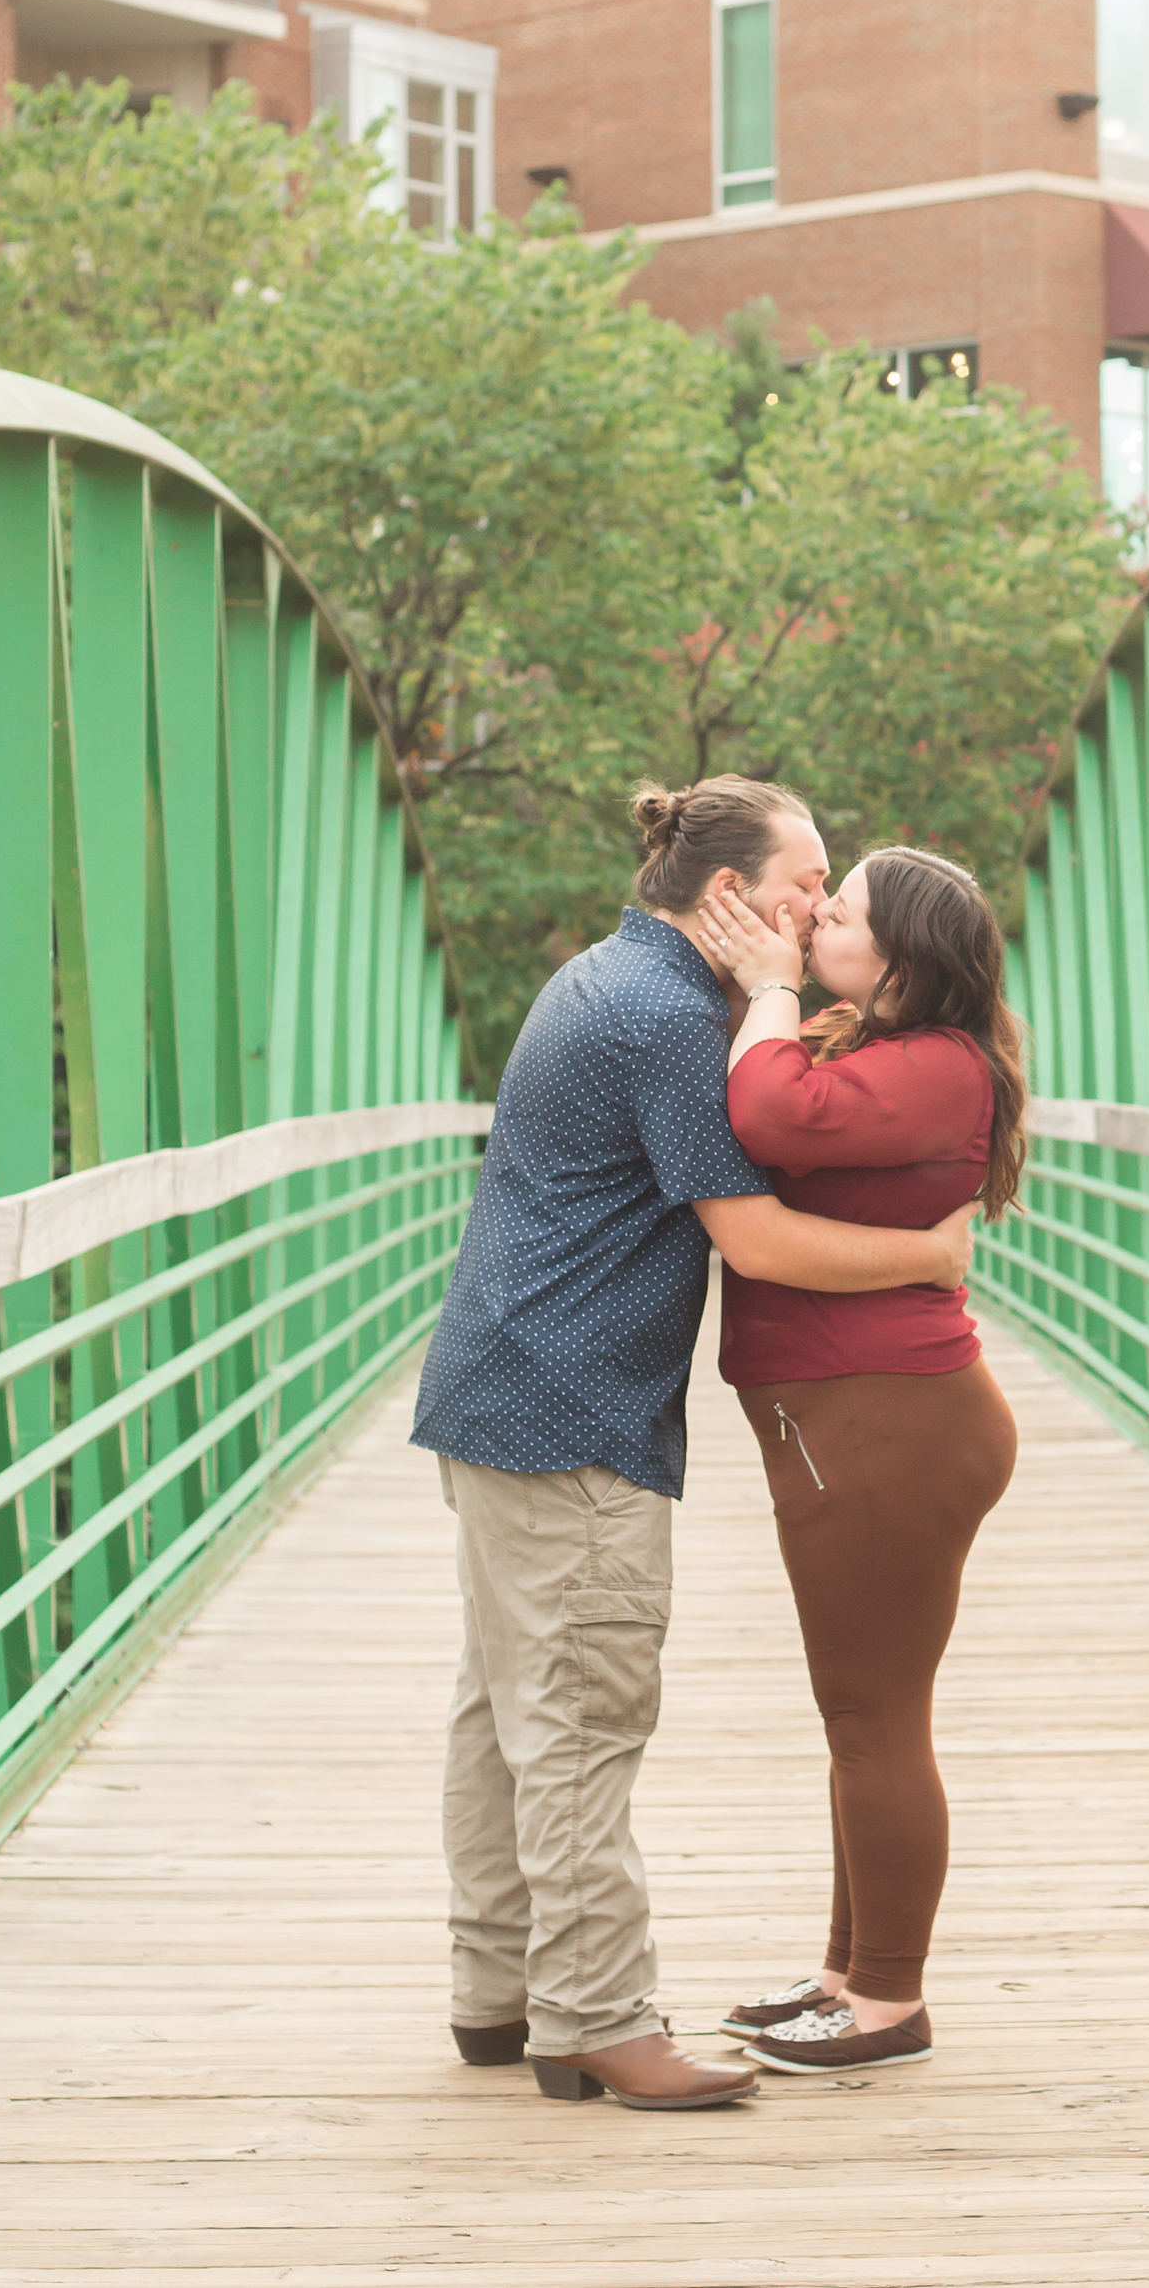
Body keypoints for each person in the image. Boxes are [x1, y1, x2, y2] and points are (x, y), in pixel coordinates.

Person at [410, 779, 980, 2115]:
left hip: (496, 1389)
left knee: (504, 1714)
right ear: (725, 895)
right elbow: (759, 1238)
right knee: (582, 1723)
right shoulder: (669, 1020)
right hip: (574, 1410)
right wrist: (931, 1255)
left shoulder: (597, 978)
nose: (814, 910)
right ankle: (599, 2019)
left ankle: (498, 1994)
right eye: (804, 885)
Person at [694, 847, 1025, 2075]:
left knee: (876, 1719)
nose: (817, 917)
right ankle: (847, 1973)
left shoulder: (939, 1066)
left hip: (891, 1422)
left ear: (901, 959)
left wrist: (771, 982)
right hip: (860, 1416)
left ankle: (889, 2003)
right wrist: (780, 992)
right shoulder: (878, 1047)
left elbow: (767, 1113)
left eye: (842, 911)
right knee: (860, 1719)